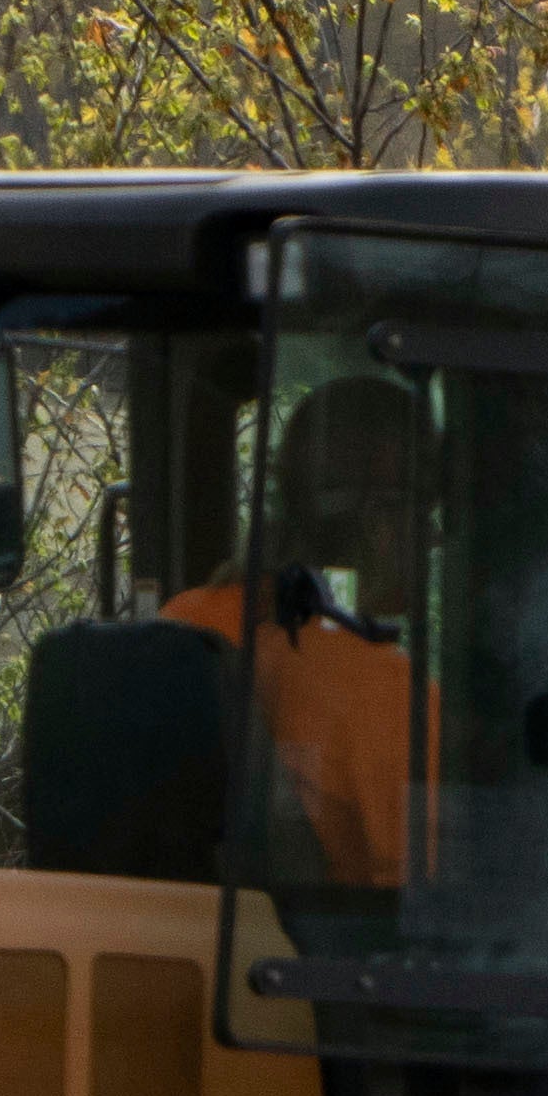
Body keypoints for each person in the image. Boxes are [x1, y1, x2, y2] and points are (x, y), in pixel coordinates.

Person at [167, 377, 447, 887]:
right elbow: (442, 921)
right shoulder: (391, 696)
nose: (432, 537)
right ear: (378, 521)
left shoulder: (182, 627)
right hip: (316, 963)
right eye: (424, 513)